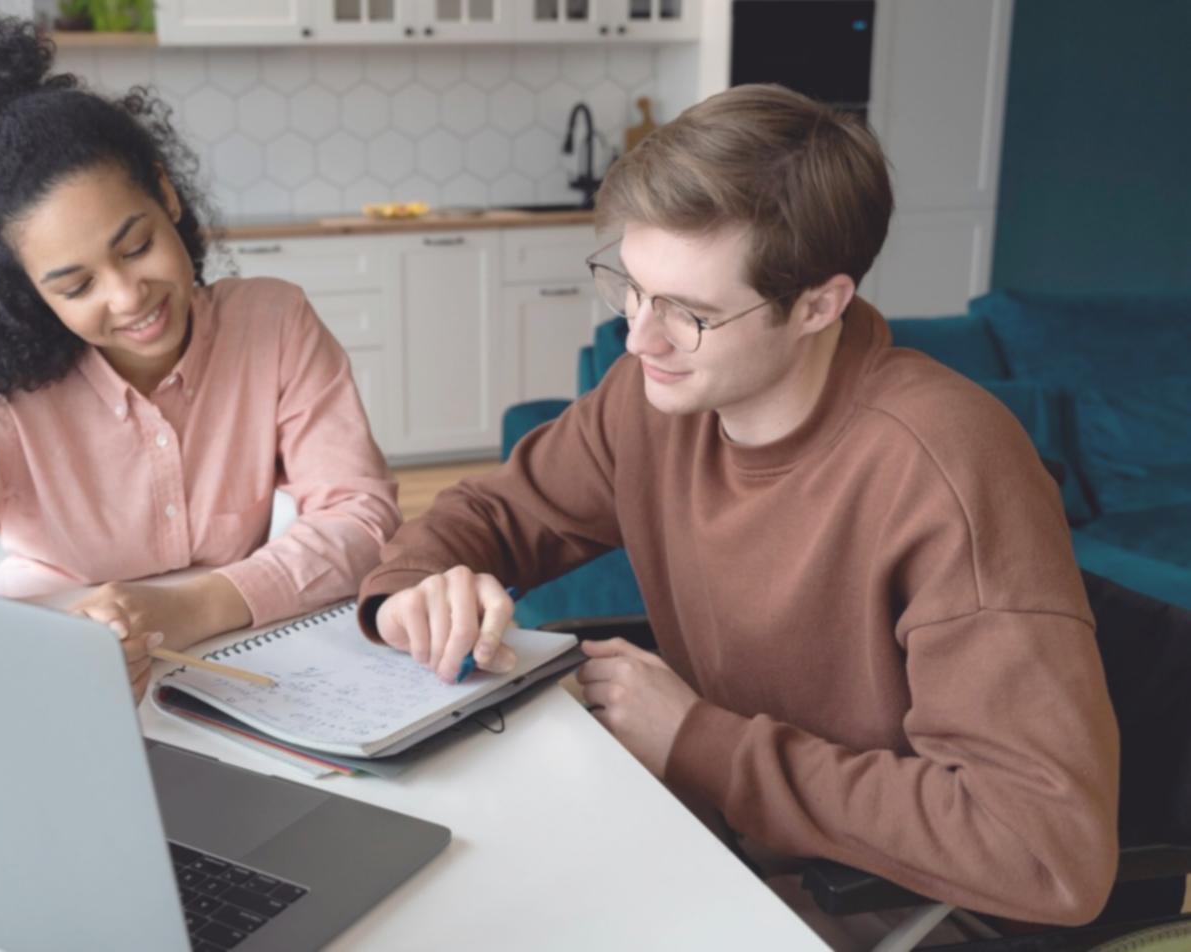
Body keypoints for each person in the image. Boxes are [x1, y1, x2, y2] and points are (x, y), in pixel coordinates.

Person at [355, 84, 1119, 941]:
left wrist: (699, 742)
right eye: (633, 290)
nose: (641, 339)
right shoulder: (649, 400)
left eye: (691, 313)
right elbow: (489, 515)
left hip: (867, 907)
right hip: (705, 843)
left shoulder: (948, 466)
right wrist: (413, 590)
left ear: (819, 306)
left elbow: (1048, 850)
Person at [0, 17, 400, 703]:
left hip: (251, 669)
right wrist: (49, 651)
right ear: (29, 286)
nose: (129, 297)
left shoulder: (273, 322)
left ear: (166, 195)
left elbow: (362, 520)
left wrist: (183, 610)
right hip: (64, 689)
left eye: (136, 247)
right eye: (75, 286)